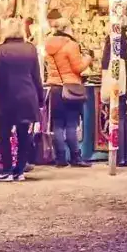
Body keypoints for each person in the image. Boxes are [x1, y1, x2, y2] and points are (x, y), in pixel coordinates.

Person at [0, 21, 43, 182]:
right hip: (28, 96)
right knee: (23, 135)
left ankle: (6, 169)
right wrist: (39, 99)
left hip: (7, 97)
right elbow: (36, 76)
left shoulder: (1, 50)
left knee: (4, 134)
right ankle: (19, 170)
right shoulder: (31, 49)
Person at [45, 23, 91, 167]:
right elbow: (78, 67)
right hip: (70, 88)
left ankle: (60, 158)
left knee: (58, 124)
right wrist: (88, 58)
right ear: (67, 29)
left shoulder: (48, 44)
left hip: (55, 87)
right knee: (71, 123)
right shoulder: (71, 45)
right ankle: (75, 158)